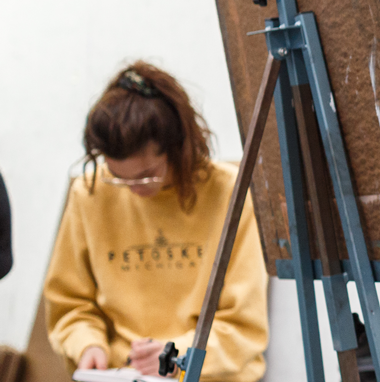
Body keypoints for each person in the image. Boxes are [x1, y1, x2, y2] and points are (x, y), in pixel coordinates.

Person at [44, 62, 268, 381]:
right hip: (121, 373)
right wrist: (87, 345)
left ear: (177, 147)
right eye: (119, 178)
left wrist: (176, 356)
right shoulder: (90, 193)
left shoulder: (230, 195)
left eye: (146, 175)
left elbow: (244, 325)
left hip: (206, 373)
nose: (134, 190)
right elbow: (70, 305)